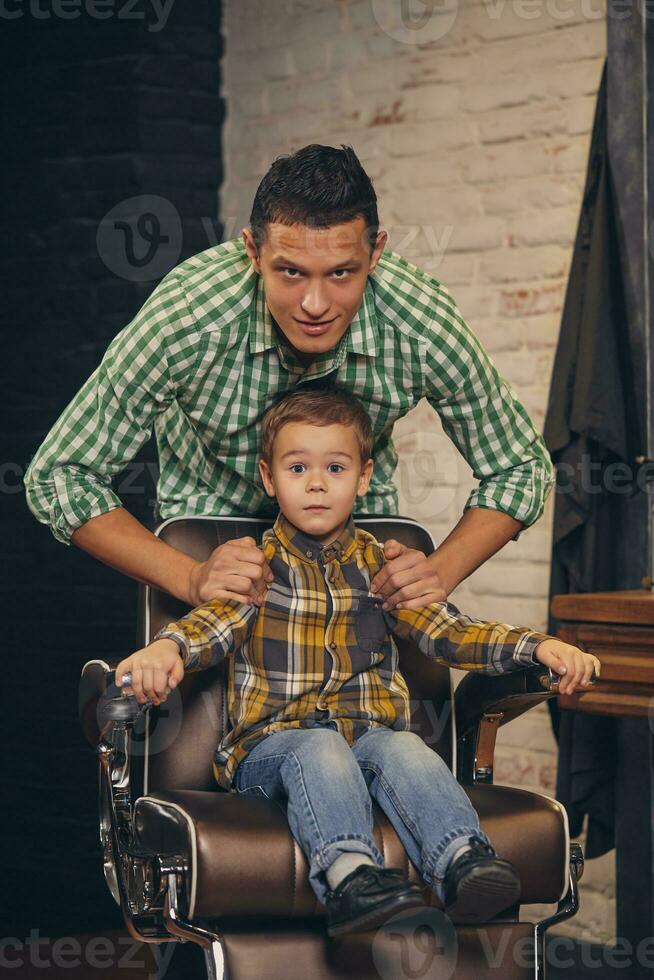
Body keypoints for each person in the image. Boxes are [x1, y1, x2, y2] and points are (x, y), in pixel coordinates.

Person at [114, 387, 599, 937]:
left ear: (363, 477)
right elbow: (209, 627)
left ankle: (464, 861)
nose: (316, 483)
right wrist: (167, 649)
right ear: (270, 479)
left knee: (405, 745)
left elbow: (450, 632)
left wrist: (535, 646)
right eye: (298, 467)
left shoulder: (383, 566)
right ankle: (350, 878)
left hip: (367, 743)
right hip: (269, 753)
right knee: (318, 744)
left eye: (335, 467)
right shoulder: (252, 568)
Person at [24, 143, 555, 619]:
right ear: (252, 252)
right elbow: (60, 476)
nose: (316, 305)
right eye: (291, 271)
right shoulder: (188, 316)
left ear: (376, 253)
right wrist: (187, 575)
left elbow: (522, 467)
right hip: (206, 538)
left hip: (354, 543)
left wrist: (443, 569)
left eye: (342, 273)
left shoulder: (419, 323)